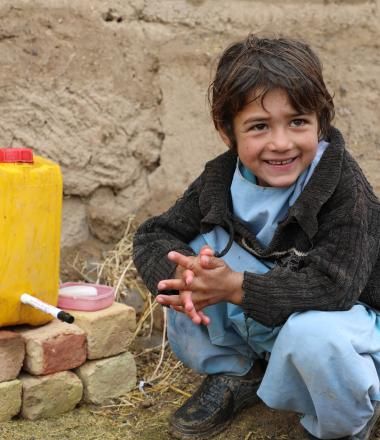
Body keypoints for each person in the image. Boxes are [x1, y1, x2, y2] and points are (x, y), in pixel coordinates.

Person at [132, 34, 380, 440]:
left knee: (312, 338)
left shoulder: (341, 185)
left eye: (298, 121)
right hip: (275, 311)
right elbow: (153, 234)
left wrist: (236, 287)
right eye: (259, 126)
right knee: (191, 259)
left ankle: (346, 419)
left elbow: (337, 287)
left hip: (350, 325)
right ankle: (237, 373)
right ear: (226, 131)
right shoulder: (220, 179)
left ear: (321, 120)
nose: (280, 143)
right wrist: (190, 280)